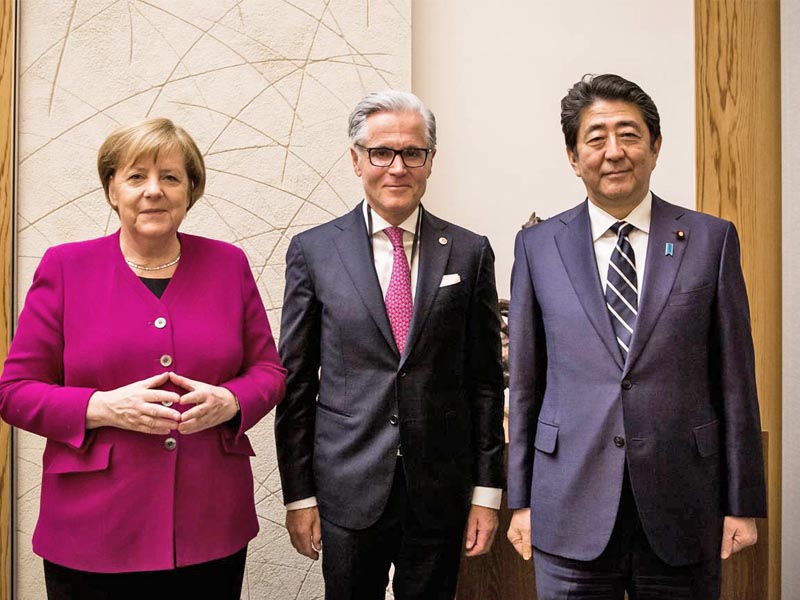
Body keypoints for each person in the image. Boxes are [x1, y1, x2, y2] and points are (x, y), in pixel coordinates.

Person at [0, 117, 286, 599]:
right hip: (93, 528)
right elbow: (15, 392)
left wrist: (230, 400)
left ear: (190, 190)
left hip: (208, 522)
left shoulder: (228, 264)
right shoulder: (66, 267)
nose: (153, 191)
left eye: (170, 177)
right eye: (136, 176)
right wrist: (102, 407)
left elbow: (268, 372)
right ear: (112, 189)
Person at [506, 74, 767, 599]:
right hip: (568, 502)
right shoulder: (538, 246)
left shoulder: (710, 239)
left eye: (628, 134)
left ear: (655, 146)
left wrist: (743, 501)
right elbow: (526, 384)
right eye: (596, 138)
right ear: (573, 156)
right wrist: (521, 499)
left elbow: (736, 379)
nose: (614, 152)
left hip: (683, 503)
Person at [275, 90, 505, 600]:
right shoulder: (314, 252)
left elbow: (486, 384)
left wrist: (487, 494)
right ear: (357, 160)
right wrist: (299, 495)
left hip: (440, 490)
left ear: (430, 161)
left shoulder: (470, 251)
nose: (397, 167)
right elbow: (294, 383)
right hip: (348, 487)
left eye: (412, 152)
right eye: (381, 152)